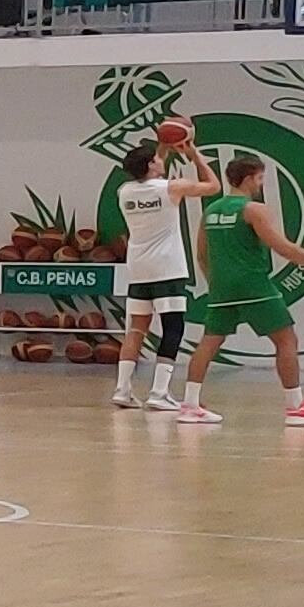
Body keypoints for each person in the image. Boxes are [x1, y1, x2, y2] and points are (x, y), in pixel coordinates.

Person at [172, 155, 304, 425]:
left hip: (221, 286)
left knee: (209, 342)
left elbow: (201, 254)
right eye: (259, 179)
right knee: (286, 340)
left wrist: (216, 282)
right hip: (253, 284)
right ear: (248, 179)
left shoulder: (210, 212)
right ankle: (295, 407)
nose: (260, 184)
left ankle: (189, 404)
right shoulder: (253, 210)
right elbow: (281, 247)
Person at [113, 116, 213, 407]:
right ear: (151, 166)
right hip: (167, 267)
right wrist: (194, 155)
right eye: (156, 160)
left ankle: (122, 389)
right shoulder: (171, 188)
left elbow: (153, 161)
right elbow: (213, 185)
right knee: (173, 328)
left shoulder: (125, 192)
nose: (161, 161)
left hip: (139, 268)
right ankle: (159, 393)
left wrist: (164, 144)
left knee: (136, 328)